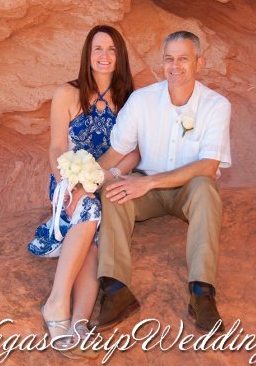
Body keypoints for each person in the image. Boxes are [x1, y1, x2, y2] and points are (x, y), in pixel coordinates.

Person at [94, 30, 231, 332]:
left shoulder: (216, 105)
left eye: (183, 59)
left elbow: (208, 166)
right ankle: (115, 291)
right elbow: (116, 152)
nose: (175, 66)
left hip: (189, 189)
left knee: (206, 189)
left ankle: (202, 293)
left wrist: (149, 183)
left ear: (199, 62)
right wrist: (84, 183)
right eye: (169, 59)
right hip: (147, 188)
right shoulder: (141, 100)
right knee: (113, 191)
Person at [27, 25, 138, 354]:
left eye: (112, 50)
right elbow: (56, 147)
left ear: (120, 56)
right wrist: (69, 183)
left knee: (94, 237)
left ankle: (79, 322)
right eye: (98, 49)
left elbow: (134, 153)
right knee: (87, 209)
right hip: (67, 179)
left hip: (107, 180)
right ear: (88, 55)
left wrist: (106, 177)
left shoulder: (130, 99)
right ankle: (56, 302)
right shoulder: (67, 93)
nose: (104, 56)